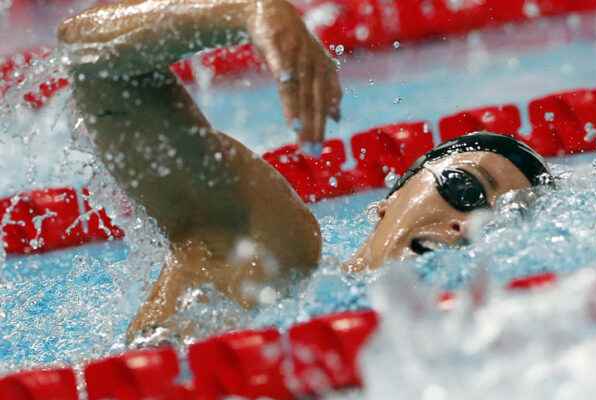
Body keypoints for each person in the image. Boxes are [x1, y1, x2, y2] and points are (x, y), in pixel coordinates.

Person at [57, 0, 552, 340]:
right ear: (388, 199)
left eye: (504, 219)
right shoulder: (271, 250)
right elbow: (92, 57)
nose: (470, 224)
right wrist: (252, 9)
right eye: (464, 187)